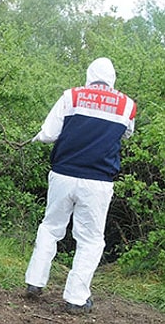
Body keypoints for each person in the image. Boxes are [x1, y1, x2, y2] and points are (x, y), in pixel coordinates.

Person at [24, 57, 136, 315]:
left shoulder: (71, 96)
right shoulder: (127, 104)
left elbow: (49, 134)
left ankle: (35, 281)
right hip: (98, 181)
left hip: (63, 174)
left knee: (51, 227)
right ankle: (75, 298)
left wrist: (37, 137)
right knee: (90, 240)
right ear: (113, 78)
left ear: (89, 75)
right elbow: (127, 133)